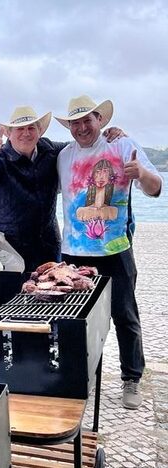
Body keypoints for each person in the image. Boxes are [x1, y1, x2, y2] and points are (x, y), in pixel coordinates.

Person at [55, 95, 162, 410]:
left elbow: (156, 188)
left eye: (88, 119)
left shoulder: (121, 145)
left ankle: (131, 378)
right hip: (73, 254)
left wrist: (140, 173)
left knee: (125, 316)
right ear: (70, 126)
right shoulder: (62, 156)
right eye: (75, 121)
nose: (82, 126)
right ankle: (75, 378)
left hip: (115, 251)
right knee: (73, 320)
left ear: (100, 120)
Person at [0, 106, 126, 273]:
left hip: (48, 243)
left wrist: (107, 135)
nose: (26, 133)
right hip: (9, 246)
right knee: (11, 295)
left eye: (31, 128)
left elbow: (84, 148)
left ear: (40, 131)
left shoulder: (51, 150)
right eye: (20, 129)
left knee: (52, 291)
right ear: (9, 134)